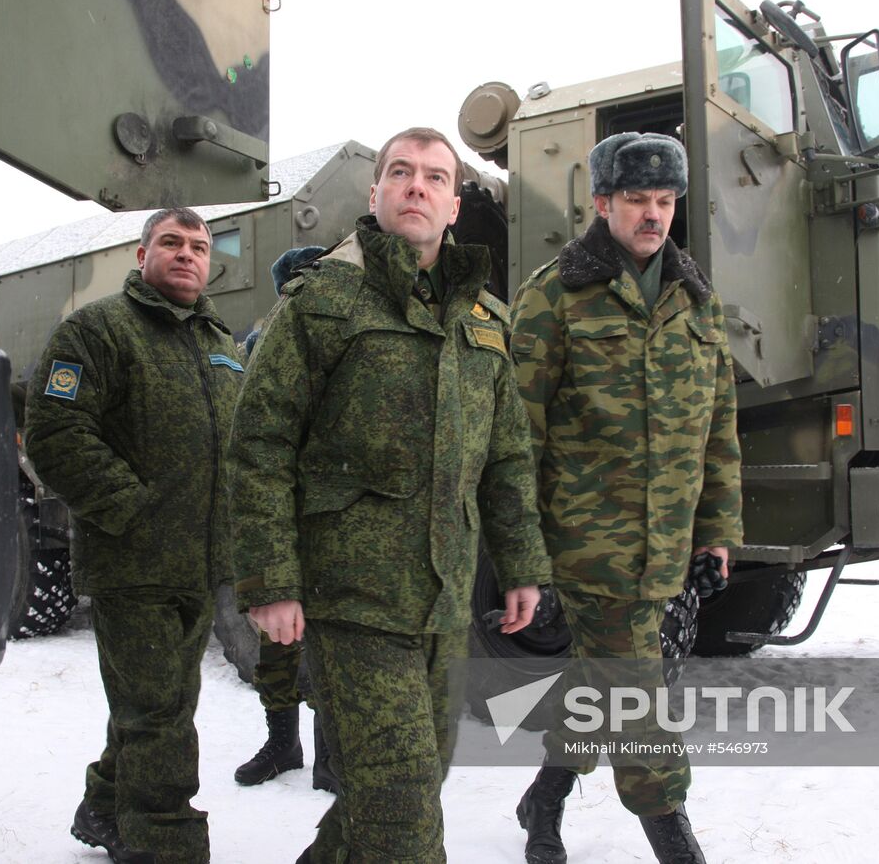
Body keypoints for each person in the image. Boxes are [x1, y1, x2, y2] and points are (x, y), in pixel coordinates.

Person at [227, 127, 551, 863]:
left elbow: (505, 458)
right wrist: (270, 579)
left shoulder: (485, 322)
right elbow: (260, 441)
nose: (417, 186)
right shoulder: (322, 301)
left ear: (454, 206)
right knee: (402, 808)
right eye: (400, 173)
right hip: (350, 599)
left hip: (443, 598)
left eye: (436, 177)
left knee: (405, 782)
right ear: (374, 195)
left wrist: (523, 564)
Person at [508, 132, 743, 864]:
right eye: (637, 199)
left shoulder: (698, 303)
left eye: (665, 201)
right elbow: (516, 437)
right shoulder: (555, 295)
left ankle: (544, 793)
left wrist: (716, 534)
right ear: (602, 202)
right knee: (637, 689)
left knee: (600, 678)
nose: (653, 214)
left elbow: (719, 433)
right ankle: (672, 833)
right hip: (583, 546)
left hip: (666, 546)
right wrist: (524, 557)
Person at [25, 207, 243, 864]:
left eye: (199, 246)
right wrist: (133, 511)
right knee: (159, 716)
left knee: (159, 705)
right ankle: (161, 842)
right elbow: (55, 432)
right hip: (132, 564)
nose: (187, 255)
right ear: (142, 251)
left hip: (200, 565)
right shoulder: (97, 331)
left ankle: (103, 807)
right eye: (171, 243)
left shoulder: (221, 343)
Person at [232, 246, 338, 796]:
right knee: (274, 643)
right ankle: (283, 742)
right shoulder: (262, 345)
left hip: (331, 518)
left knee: (330, 642)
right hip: (280, 518)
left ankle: (328, 753)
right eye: (298, 281)